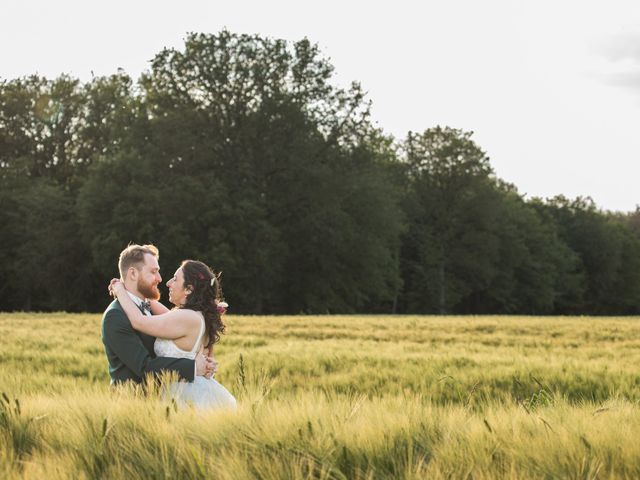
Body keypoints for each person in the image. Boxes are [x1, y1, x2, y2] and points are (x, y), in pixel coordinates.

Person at [110, 258, 237, 410]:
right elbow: (149, 303)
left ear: (189, 289)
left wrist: (120, 291)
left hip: (181, 394)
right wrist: (133, 287)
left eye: (175, 279)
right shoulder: (193, 316)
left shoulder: (186, 318)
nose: (168, 283)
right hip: (185, 390)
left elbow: (138, 321)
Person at [102, 244, 215, 386]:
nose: (160, 279)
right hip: (134, 402)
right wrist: (193, 367)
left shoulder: (150, 309)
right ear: (132, 274)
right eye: (154, 272)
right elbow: (144, 367)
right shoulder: (115, 316)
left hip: (167, 399)